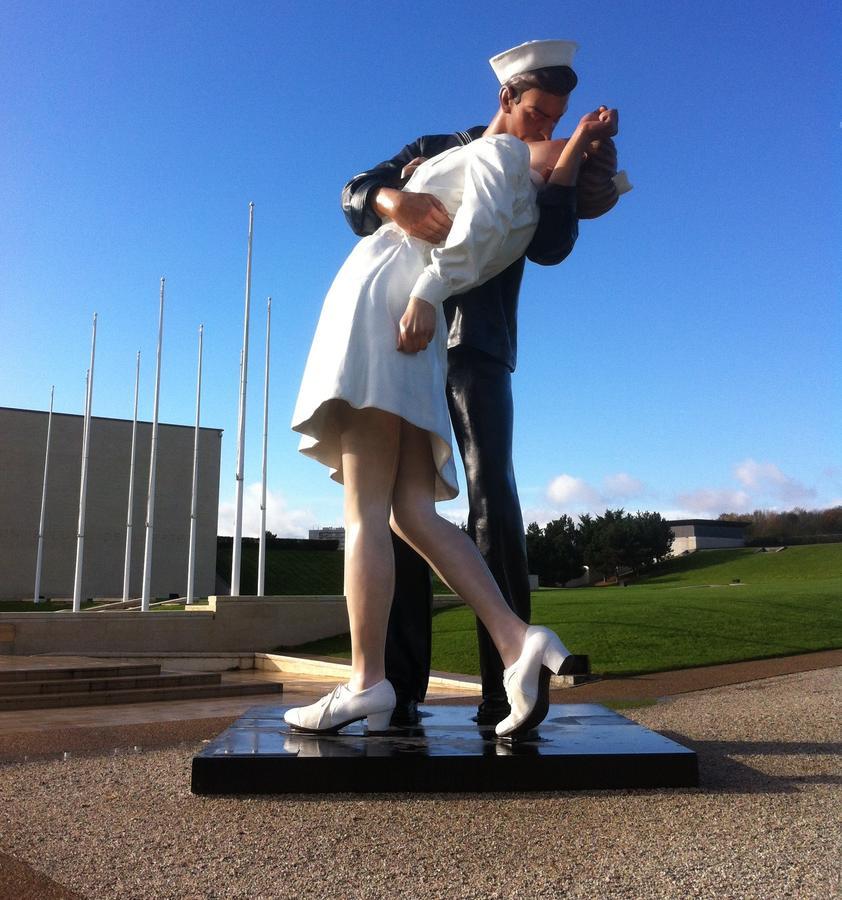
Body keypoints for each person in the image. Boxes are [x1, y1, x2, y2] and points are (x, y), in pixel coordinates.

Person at [285, 113, 613, 739]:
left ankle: (367, 683)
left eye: (556, 132)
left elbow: (542, 232)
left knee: (370, 509)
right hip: (419, 328)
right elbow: (362, 189)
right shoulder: (474, 161)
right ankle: (517, 641)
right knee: (410, 512)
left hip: (395, 312)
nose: (546, 131)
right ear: (510, 95)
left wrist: (574, 167)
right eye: (542, 115)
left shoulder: (506, 163)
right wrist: (393, 196)